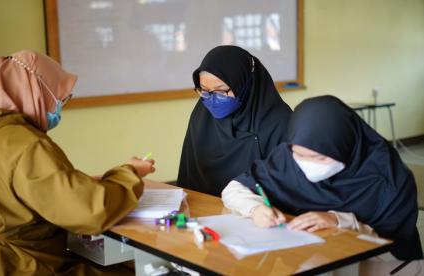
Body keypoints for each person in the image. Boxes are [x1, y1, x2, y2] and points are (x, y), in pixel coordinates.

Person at [0, 50, 155, 275]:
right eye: (60, 98)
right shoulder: (24, 143)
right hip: (26, 262)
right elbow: (89, 212)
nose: (60, 106)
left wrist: (77, 182)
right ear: (34, 92)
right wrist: (130, 172)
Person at [222, 95, 423, 274]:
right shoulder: (286, 158)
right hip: (306, 258)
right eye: (299, 154)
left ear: (344, 146)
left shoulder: (389, 179)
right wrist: (255, 208)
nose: (306, 164)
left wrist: (339, 220)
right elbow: (233, 189)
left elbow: (390, 248)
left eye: (318, 157)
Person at [177, 45, 292, 196]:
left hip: (257, 212)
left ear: (245, 84)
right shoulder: (202, 114)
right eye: (204, 90)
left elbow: (287, 186)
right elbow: (189, 173)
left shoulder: (280, 121)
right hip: (202, 209)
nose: (212, 99)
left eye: (221, 90)